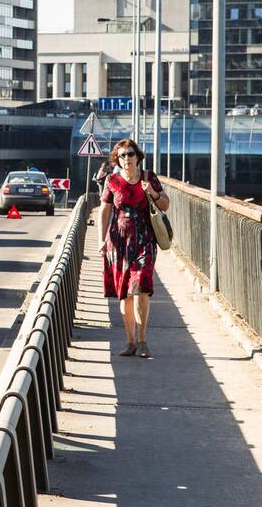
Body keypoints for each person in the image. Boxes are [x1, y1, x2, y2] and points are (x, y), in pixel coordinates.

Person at [98, 138, 170, 359]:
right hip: (118, 242)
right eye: (122, 155)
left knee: (140, 287)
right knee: (125, 295)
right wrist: (101, 240)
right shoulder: (112, 180)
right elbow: (105, 210)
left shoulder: (149, 178)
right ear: (117, 160)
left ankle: (142, 340)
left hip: (145, 240)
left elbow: (165, 204)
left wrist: (153, 193)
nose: (126, 158)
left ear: (138, 156)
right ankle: (130, 342)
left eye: (130, 154)